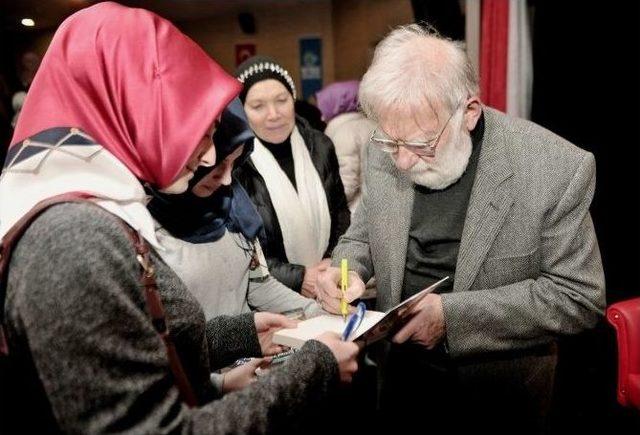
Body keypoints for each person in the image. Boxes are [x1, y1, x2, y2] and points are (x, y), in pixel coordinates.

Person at [0, 3, 358, 433]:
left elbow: (139, 340)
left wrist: (239, 335)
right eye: (193, 128)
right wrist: (314, 370)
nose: (209, 157)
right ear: (127, 109)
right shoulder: (72, 239)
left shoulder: (92, 212)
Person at [316, 24, 605, 433]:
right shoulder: (389, 141)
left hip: (498, 397)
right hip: (397, 381)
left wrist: (453, 318)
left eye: (421, 146)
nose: (400, 162)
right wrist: (345, 269)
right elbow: (363, 232)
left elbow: (579, 297)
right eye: (390, 145)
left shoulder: (554, 168)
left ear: (469, 112)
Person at [147, 97, 323, 322]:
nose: (228, 180)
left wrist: (317, 313)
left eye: (235, 163)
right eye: (221, 163)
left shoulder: (236, 208)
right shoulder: (143, 221)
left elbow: (259, 286)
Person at [234, 56, 351, 298]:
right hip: (273, 297)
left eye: (282, 100)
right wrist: (298, 277)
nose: (274, 114)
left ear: (293, 99)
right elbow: (241, 251)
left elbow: (340, 212)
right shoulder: (236, 163)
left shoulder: (320, 145)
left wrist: (334, 261)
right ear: (242, 111)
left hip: (331, 283)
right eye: (258, 106)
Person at [316, 80, 376, 212]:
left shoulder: (344, 133)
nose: (321, 116)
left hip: (355, 213)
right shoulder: (371, 125)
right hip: (374, 208)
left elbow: (347, 184)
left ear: (335, 105)